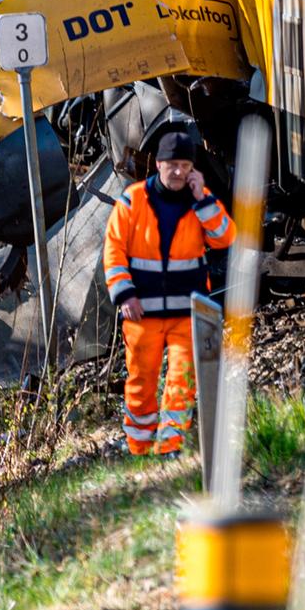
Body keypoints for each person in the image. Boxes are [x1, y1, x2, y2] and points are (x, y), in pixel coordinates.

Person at [103, 130, 235, 455]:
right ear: (158, 164)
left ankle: (170, 446)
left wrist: (203, 198)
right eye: (171, 164)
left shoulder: (200, 201)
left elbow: (225, 237)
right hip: (142, 311)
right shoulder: (133, 200)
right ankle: (139, 444)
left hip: (187, 312)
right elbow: (114, 251)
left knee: (181, 381)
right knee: (140, 381)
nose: (177, 172)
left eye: (184, 165)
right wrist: (124, 294)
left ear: (192, 169)